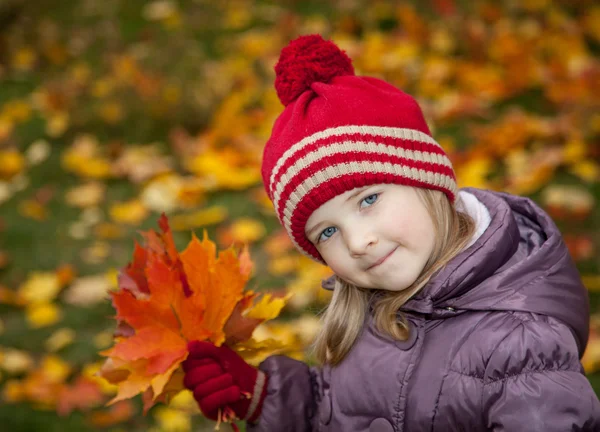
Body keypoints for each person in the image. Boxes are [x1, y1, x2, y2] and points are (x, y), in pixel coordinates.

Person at [181, 34, 600, 431]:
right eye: (327, 232)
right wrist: (265, 398)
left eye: (368, 200)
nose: (358, 242)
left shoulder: (523, 350)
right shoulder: (366, 307)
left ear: (425, 178)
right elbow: (341, 412)